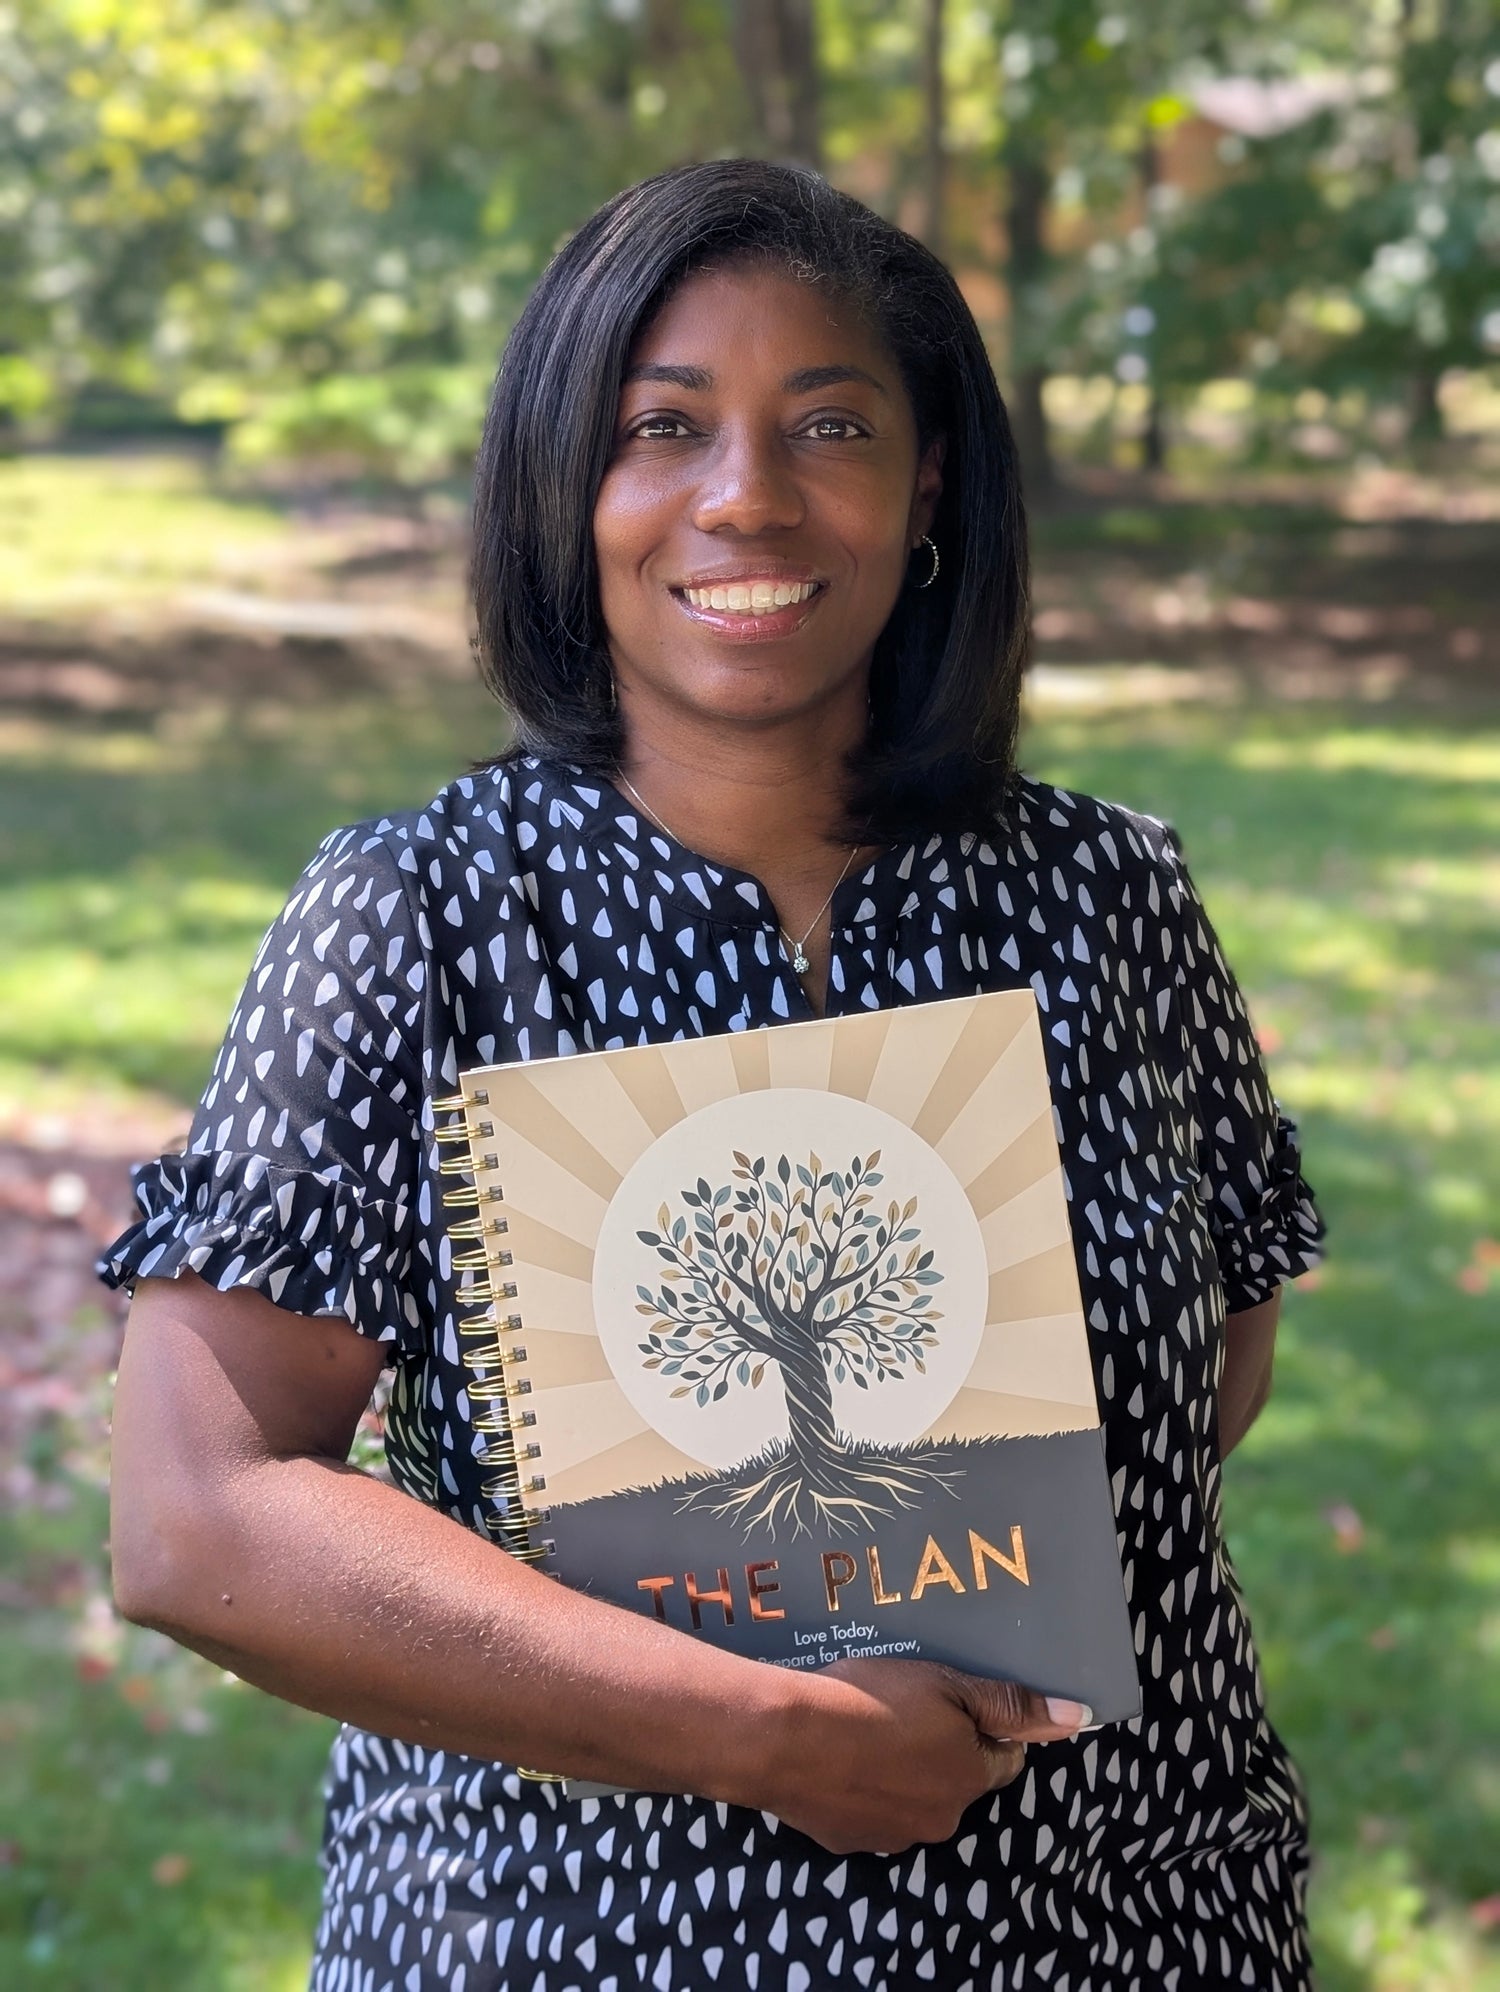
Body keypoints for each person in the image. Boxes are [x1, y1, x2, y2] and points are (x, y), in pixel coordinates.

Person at [101, 159, 1325, 1992]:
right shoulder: (423, 920)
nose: (745, 494)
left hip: (1135, 1918)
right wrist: (759, 1722)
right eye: (661, 427)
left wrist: (970, 1554)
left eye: (827, 421)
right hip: (586, 1945)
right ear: (566, 490)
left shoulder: (1106, 893)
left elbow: (1216, 1352)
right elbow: (200, 1518)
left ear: (929, 486)